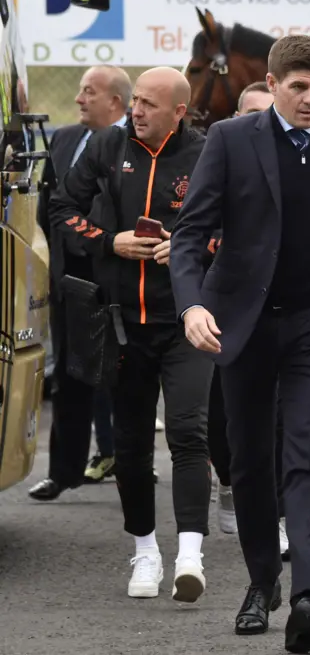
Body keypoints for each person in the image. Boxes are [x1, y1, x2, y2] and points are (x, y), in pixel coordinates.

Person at [170, 35, 310, 652]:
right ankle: (261, 582)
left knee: (307, 453)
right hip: (244, 321)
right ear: (273, 84)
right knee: (250, 462)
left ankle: (307, 595)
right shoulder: (232, 141)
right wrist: (191, 306)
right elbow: (190, 237)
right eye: (300, 87)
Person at [48, 67, 214, 603]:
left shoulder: (208, 152)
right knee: (131, 444)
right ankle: (145, 552)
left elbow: (233, 226)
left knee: (189, 433)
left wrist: (190, 249)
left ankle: (191, 554)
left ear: (179, 112)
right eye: (135, 101)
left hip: (186, 318)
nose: (136, 111)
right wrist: (108, 241)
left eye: (147, 104)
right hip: (122, 321)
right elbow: (61, 208)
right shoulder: (107, 143)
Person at [30, 65, 131, 501]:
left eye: (88, 91)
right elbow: (47, 205)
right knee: (69, 376)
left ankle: (132, 468)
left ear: (115, 102)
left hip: (116, 276)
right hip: (67, 279)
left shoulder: (137, 145)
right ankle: (64, 472)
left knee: (127, 380)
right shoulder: (65, 139)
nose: (78, 99)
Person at [208, 79, 290, 561]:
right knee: (221, 420)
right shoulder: (217, 160)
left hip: (278, 317)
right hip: (222, 315)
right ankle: (227, 481)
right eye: (250, 114)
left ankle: (276, 519)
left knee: (278, 421)